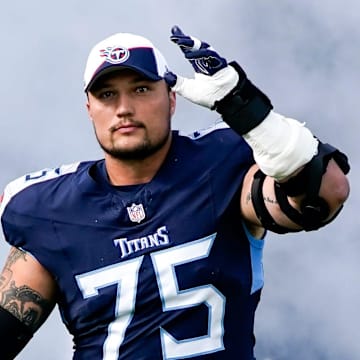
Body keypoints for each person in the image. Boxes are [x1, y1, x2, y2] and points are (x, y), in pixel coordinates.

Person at [0, 25, 350, 360]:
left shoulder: (222, 163)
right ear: (89, 108)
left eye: (140, 89)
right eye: (107, 94)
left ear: (171, 98)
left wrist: (247, 112)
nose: (124, 108)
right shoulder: (49, 210)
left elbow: (326, 195)